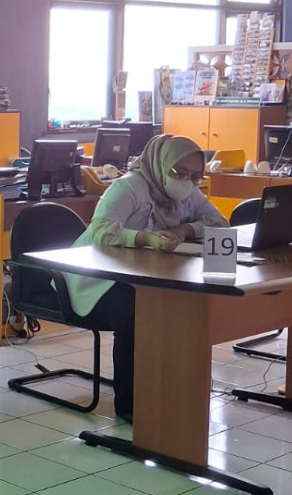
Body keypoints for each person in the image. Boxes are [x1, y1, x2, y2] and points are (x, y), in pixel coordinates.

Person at [64, 133, 228, 422]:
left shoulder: (187, 191)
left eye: (195, 176)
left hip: (145, 274)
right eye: (179, 172)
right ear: (160, 164)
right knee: (137, 311)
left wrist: (184, 231)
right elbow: (101, 229)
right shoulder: (128, 187)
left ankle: (169, 389)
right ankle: (130, 403)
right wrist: (144, 238)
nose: (187, 181)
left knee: (181, 304)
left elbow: (219, 223)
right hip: (96, 278)